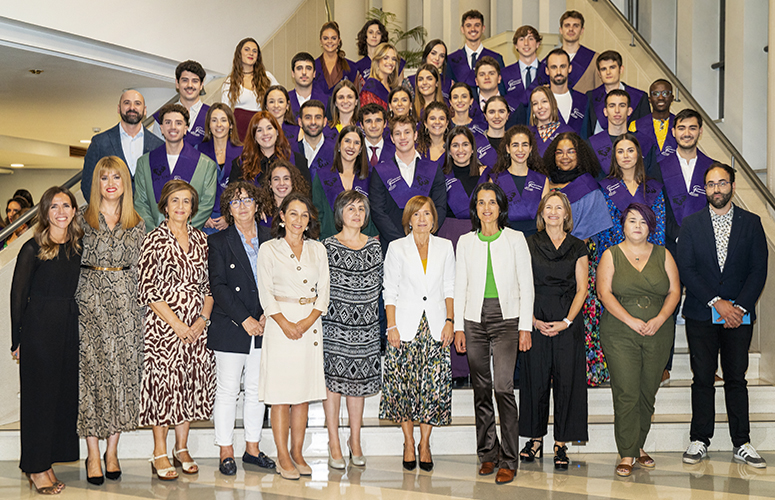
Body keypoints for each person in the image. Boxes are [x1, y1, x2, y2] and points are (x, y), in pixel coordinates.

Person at [678, 163, 768, 468]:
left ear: (732, 185)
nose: (717, 189)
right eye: (711, 184)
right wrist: (717, 302)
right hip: (702, 314)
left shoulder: (752, 223)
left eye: (722, 183)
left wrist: (739, 307)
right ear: (705, 189)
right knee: (702, 378)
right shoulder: (690, 225)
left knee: (736, 378)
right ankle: (700, 439)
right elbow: (687, 270)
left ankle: (741, 441)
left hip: (738, 317)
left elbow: (759, 270)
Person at [454, 183, 534, 484]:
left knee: (503, 386)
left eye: (492, 202)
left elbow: (527, 285)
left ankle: (509, 459)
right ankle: (488, 454)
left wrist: (525, 326)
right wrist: (459, 327)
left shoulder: (515, 239)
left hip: (507, 320)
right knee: (481, 389)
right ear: (475, 209)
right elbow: (460, 283)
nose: (486, 208)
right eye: (481, 203)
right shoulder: (465, 242)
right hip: (474, 320)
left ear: (501, 207)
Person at [137, 179, 215, 481]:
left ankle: (181, 448)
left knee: (187, 385)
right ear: (165, 207)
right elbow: (148, 289)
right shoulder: (154, 239)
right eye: (175, 201)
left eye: (186, 201)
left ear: (193, 207)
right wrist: (179, 325)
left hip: (197, 326)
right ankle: (159, 450)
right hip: (164, 327)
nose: (181, 206)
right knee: (164, 388)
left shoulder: (201, 239)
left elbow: (209, 286)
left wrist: (201, 321)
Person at [598, 203, 680, 476]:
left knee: (647, 392)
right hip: (620, 331)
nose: (637, 226)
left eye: (643, 222)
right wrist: (632, 321)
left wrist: (660, 319)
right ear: (623, 225)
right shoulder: (611, 255)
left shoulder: (664, 254)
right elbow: (604, 293)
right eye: (631, 220)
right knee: (626, 392)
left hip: (658, 331)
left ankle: (638, 445)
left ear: (651, 227)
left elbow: (674, 292)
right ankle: (627, 452)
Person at [76, 157, 145, 485]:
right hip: (89, 305)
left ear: (125, 183)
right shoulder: (81, 219)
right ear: (97, 183)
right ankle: (92, 453)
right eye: (105, 178)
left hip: (128, 310)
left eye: (117, 177)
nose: (111, 183)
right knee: (90, 379)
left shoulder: (137, 222)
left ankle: (112, 450)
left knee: (121, 377)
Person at [10, 186, 82, 494]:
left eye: (66, 205)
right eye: (54, 206)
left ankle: (47, 461)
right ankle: (35, 467)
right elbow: (17, 296)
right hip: (38, 329)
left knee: (59, 399)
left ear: (74, 211)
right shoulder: (32, 248)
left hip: (67, 327)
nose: (61, 211)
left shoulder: (77, 246)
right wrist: (17, 340)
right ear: (45, 212)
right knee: (38, 401)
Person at [257, 193, 330, 480]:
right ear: (282, 216)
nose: (299, 220)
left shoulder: (318, 250)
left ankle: (298, 452)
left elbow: (323, 291)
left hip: (310, 324)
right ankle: (282, 454)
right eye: (293, 214)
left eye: (304, 215)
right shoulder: (268, 249)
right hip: (279, 325)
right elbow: (265, 291)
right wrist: (285, 323)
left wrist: (307, 320)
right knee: (281, 396)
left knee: (302, 396)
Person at [382, 195, 455, 473]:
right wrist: (391, 325)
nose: (422, 219)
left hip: (436, 326)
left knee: (432, 389)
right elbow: (390, 289)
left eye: (426, 213)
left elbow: (450, 285)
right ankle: (408, 442)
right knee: (405, 388)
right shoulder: (397, 248)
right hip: (404, 327)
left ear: (434, 219)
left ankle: (425, 443)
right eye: (416, 214)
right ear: (408, 220)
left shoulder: (446, 247)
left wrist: (450, 320)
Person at [207, 181, 276, 476]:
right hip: (231, 324)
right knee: (227, 390)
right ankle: (225, 450)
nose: (243, 206)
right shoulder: (218, 242)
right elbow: (218, 286)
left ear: (258, 205)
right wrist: (245, 318)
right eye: (236, 202)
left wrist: (265, 315)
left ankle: (252, 448)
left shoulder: (272, 238)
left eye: (248, 200)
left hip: (265, 324)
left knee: (256, 392)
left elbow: (278, 281)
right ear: (229, 210)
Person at [519, 190, 589, 471]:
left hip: (568, 322)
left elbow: (582, 288)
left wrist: (567, 321)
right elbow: (521, 283)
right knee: (534, 380)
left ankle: (561, 443)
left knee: (567, 382)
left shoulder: (578, 246)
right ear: (541, 213)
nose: (553, 212)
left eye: (559, 207)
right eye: (549, 207)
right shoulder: (528, 243)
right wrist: (532, 319)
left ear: (566, 214)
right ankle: (535, 439)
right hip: (536, 319)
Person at [543, 132, 614, 386]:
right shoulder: (546, 184)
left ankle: (589, 373)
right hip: (548, 261)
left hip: (580, 260)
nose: (564, 157)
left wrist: (568, 250)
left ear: (580, 154)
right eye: (560, 151)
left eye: (571, 151)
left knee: (583, 318)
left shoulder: (589, 187)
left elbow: (591, 231)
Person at [321, 190, 383, 469]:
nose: (356, 213)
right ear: (340, 214)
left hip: (366, 328)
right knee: (332, 386)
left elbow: (380, 287)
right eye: (350, 209)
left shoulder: (374, 246)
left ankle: (354, 441)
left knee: (357, 386)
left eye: (361, 209)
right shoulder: (326, 246)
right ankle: (334, 441)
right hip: (335, 327)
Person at [134, 103, 217, 232]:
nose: (173, 127)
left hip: (189, 238)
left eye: (178, 123)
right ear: (161, 128)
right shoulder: (144, 163)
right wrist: (157, 233)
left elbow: (206, 206)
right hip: (155, 238)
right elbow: (140, 203)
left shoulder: (206, 165)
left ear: (186, 128)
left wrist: (182, 231)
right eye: (168, 122)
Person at [369, 115, 447, 253]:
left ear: (415, 135)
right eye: (397, 133)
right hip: (393, 246)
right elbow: (378, 212)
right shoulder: (380, 171)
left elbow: (439, 207)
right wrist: (401, 242)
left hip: (427, 244)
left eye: (407, 132)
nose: (403, 137)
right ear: (392, 138)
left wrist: (424, 237)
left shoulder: (432, 169)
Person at [648, 109, 716, 257]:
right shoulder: (657, 170)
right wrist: (678, 235)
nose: (687, 133)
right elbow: (656, 208)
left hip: (706, 245)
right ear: (673, 132)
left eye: (692, 128)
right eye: (681, 128)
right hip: (670, 246)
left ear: (700, 131)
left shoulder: (713, 169)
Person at [81, 89, 164, 199]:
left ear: (145, 111)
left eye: (137, 103)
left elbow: (161, 187)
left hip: (145, 216)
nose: (132, 107)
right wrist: (102, 214)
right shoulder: (100, 142)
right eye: (127, 103)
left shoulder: (158, 146)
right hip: (110, 214)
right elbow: (88, 185)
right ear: (119, 108)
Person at [597, 133, 665, 257]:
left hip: (648, 254)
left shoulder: (653, 188)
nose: (626, 156)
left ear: (638, 154)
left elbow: (659, 226)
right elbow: (604, 231)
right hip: (616, 255)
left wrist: (656, 256)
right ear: (615, 156)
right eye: (620, 151)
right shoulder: (605, 188)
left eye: (630, 150)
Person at [312, 125, 376, 239]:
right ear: (339, 145)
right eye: (347, 141)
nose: (351, 146)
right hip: (329, 240)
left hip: (362, 241)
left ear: (361, 149)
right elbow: (316, 212)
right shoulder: (323, 175)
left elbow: (374, 213)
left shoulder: (369, 178)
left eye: (356, 143)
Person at [484, 125, 548, 236]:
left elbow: (546, 217)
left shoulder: (542, 180)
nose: (520, 150)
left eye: (525, 145)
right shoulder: (495, 181)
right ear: (508, 149)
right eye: (515, 145)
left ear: (531, 148)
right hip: (504, 239)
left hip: (536, 240)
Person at [197, 103, 244, 235]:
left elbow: (247, 188)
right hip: (205, 219)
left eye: (223, 120)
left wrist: (229, 217)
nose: (219, 125)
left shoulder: (243, 152)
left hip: (235, 218)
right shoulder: (198, 151)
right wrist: (202, 215)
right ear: (208, 125)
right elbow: (193, 187)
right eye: (214, 120)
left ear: (231, 125)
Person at [229, 111, 310, 186]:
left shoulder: (298, 161)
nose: (265, 133)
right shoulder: (240, 164)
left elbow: (306, 197)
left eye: (269, 128)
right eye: (259, 130)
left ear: (277, 131)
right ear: (254, 136)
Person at [221, 38, 279, 140]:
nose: (251, 53)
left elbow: (280, 99)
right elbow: (224, 113)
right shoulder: (230, 82)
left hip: (263, 131)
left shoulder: (267, 77)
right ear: (239, 53)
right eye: (247, 49)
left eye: (254, 51)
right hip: (239, 133)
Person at [585, 51, 649, 136]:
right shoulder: (590, 97)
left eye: (612, 67)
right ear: (599, 73)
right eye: (603, 69)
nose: (608, 72)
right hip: (599, 148)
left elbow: (645, 132)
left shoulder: (639, 97)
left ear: (621, 69)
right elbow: (587, 131)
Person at [152, 60, 210, 147]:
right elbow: (157, 150)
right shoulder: (162, 115)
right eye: (185, 80)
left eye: (195, 81)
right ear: (177, 83)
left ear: (201, 85)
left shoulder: (211, 115)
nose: (190, 85)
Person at [446, 10, 505, 88]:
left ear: (483, 29)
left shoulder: (496, 58)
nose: (473, 29)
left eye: (477, 25)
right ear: (462, 29)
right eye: (468, 25)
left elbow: (502, 89)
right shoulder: (451, 60)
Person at [546, 10, 600, 94]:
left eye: (576, 26)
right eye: (567, 25)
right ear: (561, 30)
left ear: (582, 30)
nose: (571, 29)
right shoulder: (550, 60)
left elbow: (599, 93)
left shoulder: (594, 59)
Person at [587, 90, 635, 173]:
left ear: (629, 111)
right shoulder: (591, 144)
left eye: (622, 105)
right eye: (612, 106)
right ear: (605, 111)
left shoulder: (642, 142)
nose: (617, 110)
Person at [502, 25, 545, 116]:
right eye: (521, 39)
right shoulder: (505, 73)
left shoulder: (546, 71)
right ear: (516, 46)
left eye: (531, 39)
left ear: (538, 44)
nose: (526, 43)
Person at [629, 79, 676, 159]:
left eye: (665, 93)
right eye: (655, 94)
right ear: (649, 99)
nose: (661, 97)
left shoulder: (680, 125)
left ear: (672, 98)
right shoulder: (636, 126)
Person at [257, 159, 310, 229]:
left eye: (286, 178)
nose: (281, 183)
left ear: (293, 182)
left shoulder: (304, 209)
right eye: (276, 179)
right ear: (270, 184)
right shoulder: (261, 212)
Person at [545, 48, 588, 135]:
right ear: (547, 71)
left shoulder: (582, 100)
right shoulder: (538, 100)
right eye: (554, 67)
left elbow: (586, 135)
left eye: (563, 66)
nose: (558, 72)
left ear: (570, 68)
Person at [314, 21, 357, 98]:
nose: (330, 41)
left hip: (343, 108)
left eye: (333, 38)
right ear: (320, 41)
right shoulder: (313, 66)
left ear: (338, 41)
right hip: (319, 109)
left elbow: (355, 96)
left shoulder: (351, 67)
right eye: (325, 38)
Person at [529, 86, 574, 156]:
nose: (540, 107)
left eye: (544, 101)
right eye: (535, 103)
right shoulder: (527, 134)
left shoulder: (567, 132)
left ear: (553, 104)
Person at [299, 99, 337, 175]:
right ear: (300, 122)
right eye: (308, 117)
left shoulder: (336, 151)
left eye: (318, 117)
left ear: (325, 122)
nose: (313, 122)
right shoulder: (291, 151)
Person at [359, 42, 400, 110]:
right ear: (377, 61)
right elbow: (368, 116)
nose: (390, 62)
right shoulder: (370, 88)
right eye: (386, 58)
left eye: (393, 59)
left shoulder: (392, 87)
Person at [288, 52, 329, 119]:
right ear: (293, 73)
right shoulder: (285, 100)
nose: (304, 72)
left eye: (308, 68)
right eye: (299, 68)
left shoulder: (327, 101)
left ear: (314, 74)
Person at [480, 96, 510, 167]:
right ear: (485, 116)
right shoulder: (477, 143)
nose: (497, 116)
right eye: (492, 112)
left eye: (501, 111)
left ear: (507, 115)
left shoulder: (514, 141)